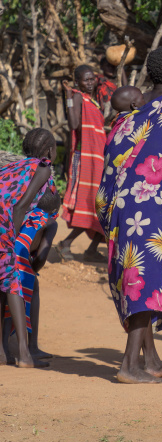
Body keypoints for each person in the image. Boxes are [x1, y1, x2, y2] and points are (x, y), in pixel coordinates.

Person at [97, 46, 162, 384]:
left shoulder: (133, 106)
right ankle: (128, 366)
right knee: (147, 279)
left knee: (145, 276)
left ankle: (150, 360)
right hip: (150, 204)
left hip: (123, 205)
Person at [0, 128, 58, 368]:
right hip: (7, 226)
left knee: (3, 285)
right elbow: (21, 207)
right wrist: (11, 239)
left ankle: (3, 352)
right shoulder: (42, 167)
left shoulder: (12, 167)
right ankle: (24, 353)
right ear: (49, 151)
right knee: (14, 283)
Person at [58, 65, 106, 262]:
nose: (89, 82)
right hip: (85, 157)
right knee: (90, 201)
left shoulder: (92, 100)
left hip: (96, 156)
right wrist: (69, 96)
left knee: (102, 203)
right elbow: (73, 125)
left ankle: (92, 250)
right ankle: (66, 243)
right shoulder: (77, 96)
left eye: (91, 79)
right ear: (77, 81)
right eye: (85, 80)